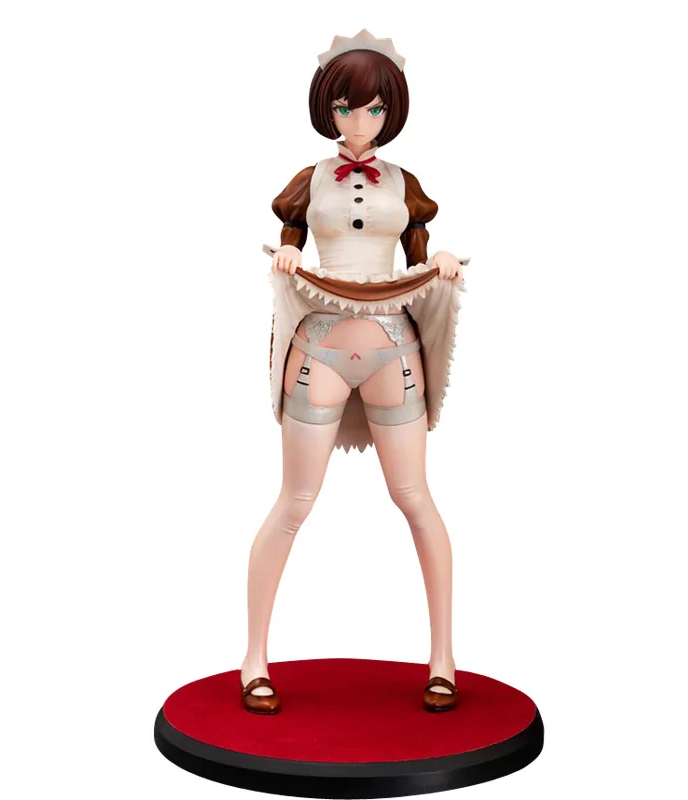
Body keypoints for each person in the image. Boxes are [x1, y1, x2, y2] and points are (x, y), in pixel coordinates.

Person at [241, 29, 469, 715]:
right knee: (295, 502)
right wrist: (288, 255)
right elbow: (290, 237)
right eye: (346, 107)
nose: (360, 121)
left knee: (415, 497)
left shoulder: (405, 184)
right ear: (328, 109)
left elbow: (417, 256)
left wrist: (439, 262)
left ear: (390, 111)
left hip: (394, 347)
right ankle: (254, 658)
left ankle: (443, 660)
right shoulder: (310, 180)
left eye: (373, 108)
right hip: (319, 345)